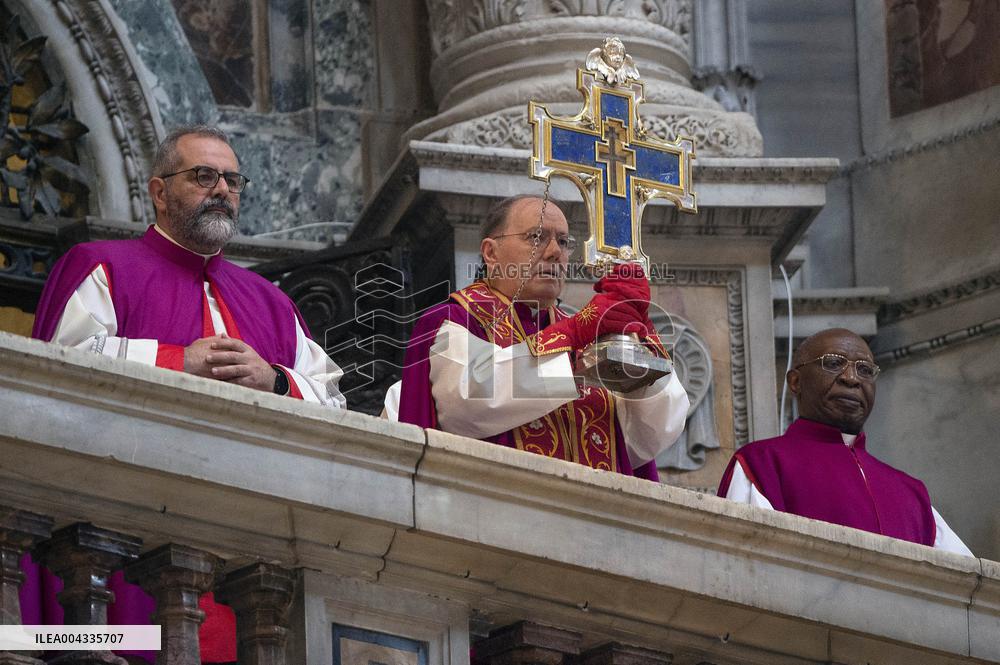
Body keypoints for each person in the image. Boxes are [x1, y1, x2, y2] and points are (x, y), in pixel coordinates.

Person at [26, 124, 346, 663]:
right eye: (204, 176)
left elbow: (336, 404)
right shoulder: (100, 266)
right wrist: (179, 361)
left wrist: (275, 380)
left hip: (243, 544)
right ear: (158, 192)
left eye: (232, 180)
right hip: (121, 527)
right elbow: (59, 373)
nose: (222, 189)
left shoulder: (270, 302)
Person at [387, 194, 689, 480]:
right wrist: (573, 334)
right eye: (536, 237)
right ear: (491, 252)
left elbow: (650, 435)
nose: (554, 252)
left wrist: (638, 338)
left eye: (562, 241)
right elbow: (468, 401)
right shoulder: (453, 319)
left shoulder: (590, 335)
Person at [717, 328, 972, 556]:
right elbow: (744, 567)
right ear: (795, 382)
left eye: (865, 370)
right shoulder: (762, 465)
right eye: (834, 363)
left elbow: (966, 588)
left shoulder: (911, 494)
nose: (851, 378)